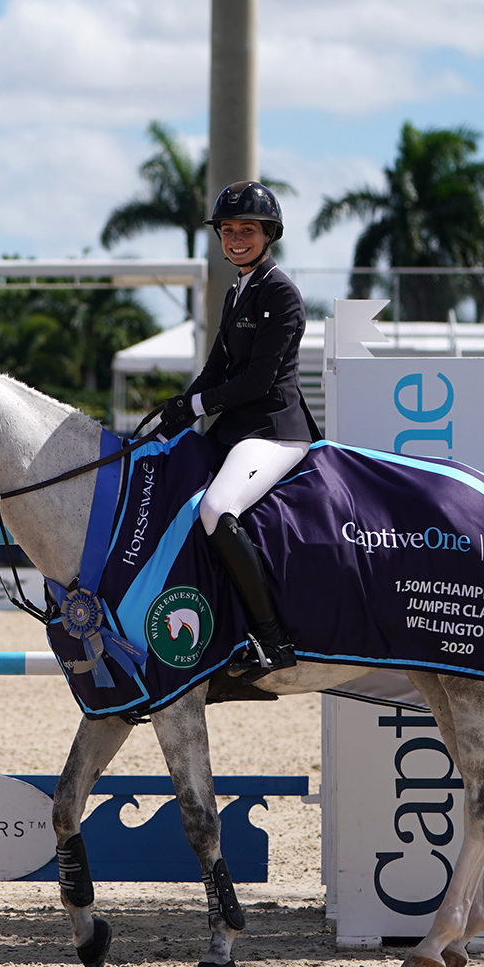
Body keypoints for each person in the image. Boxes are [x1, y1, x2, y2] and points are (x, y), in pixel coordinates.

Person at [155, 181, 320, 681]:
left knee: (215, 508)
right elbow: (218, 366)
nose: (235, 238)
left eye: (246, 229)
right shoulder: (236, 291)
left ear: (269, 234)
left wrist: (200, 404)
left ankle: (273, 639)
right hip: (237, 429)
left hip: (274, 431)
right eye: (228, 230)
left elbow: (257, 380)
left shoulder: (281, 292)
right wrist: (181, 408)